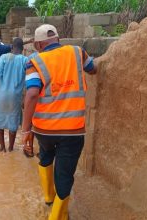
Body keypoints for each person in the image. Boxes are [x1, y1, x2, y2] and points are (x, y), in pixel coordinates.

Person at [22, 24, 97, 220]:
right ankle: (57, 216)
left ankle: (48, 197)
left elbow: (31, 94)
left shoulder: (34, 62)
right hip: (72, 131)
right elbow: (93, 68)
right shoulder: (77, 52)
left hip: (44, 130)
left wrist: (25, 130)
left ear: (38, 44)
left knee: (46, 157)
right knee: (64, 175)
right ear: (58, 38)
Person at [0, 38, 27, 153]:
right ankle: (11, 148)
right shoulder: (25, 60)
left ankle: (2, 147)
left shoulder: (4, 57)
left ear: (12, 47)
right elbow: (27, 81)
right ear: (22, 49)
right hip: (15, 97)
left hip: (1, 95)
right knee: (13, 122)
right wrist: (25, 98)